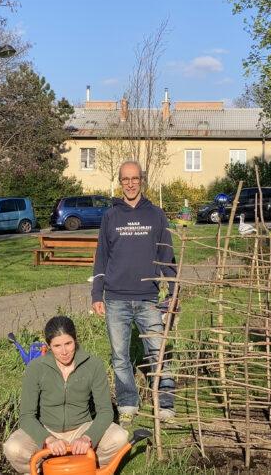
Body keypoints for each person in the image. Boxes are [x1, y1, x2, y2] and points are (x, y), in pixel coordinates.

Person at [91, 160, 177, 427]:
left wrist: (174, 293)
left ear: (142, 180)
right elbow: (101, 257)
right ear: (120, 182)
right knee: (120, 356)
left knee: (157, 352)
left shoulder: (156, 215)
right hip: (115, 298)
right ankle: (128, 404)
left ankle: (165, 404)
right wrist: (97, 294)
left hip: (148, 297)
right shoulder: (110, 216)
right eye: (125, 179)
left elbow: (166, 256)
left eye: (134, 178)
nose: (130, 184)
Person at [3, 316, 129, 473]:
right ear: (48, 346)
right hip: (47, 429)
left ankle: (94, 469)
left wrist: (87, 437)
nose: (64, 352)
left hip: (81, 428)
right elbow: (26, 416)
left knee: (119, 437)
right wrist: (47, 440)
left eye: (68, 343)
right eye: (57, 346)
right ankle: (39, 470)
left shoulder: (93, 365)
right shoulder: (35, 368)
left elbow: (105, 411)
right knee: (13, 448)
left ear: (76, 339)